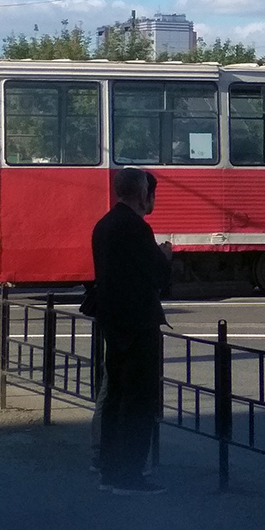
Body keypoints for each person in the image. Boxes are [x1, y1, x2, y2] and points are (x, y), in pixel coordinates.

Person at [92, 167, 172, 496]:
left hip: (114, 322)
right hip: (138, 323)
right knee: (139, 399)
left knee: (115, 396)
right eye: (150, 193)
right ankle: (130, 474)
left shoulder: (104, 224)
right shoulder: (137, 229)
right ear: (141, 193)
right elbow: (156, 277)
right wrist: (165, 257)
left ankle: (109, 470)